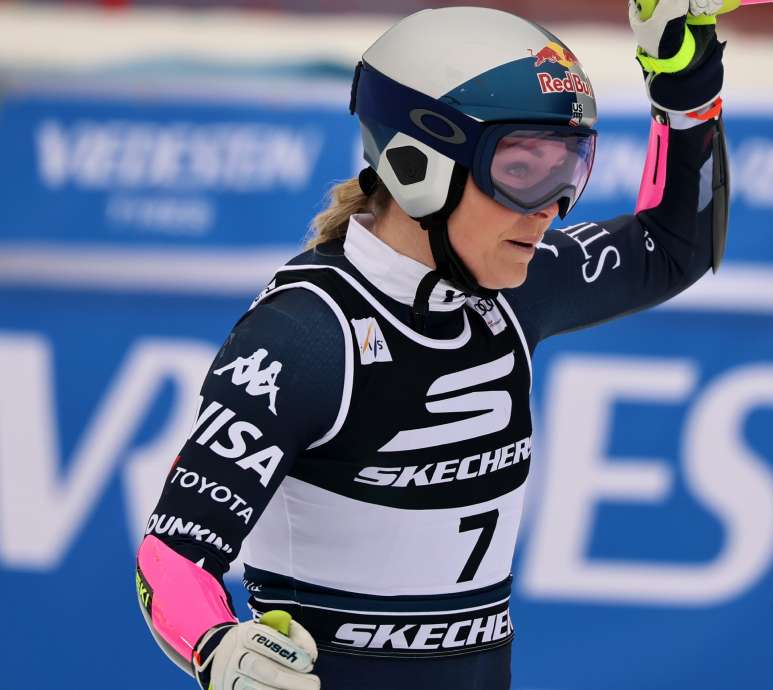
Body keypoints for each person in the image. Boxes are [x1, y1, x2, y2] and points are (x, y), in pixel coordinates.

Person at [134, 2, 731, 688]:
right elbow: (172, 554)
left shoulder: (513, 289)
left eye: (570, 166)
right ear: (418, 164)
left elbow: (672, 246)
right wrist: (216, 644)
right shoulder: (307, 334)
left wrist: (684, 82)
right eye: (521, 168)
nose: (552, 206)